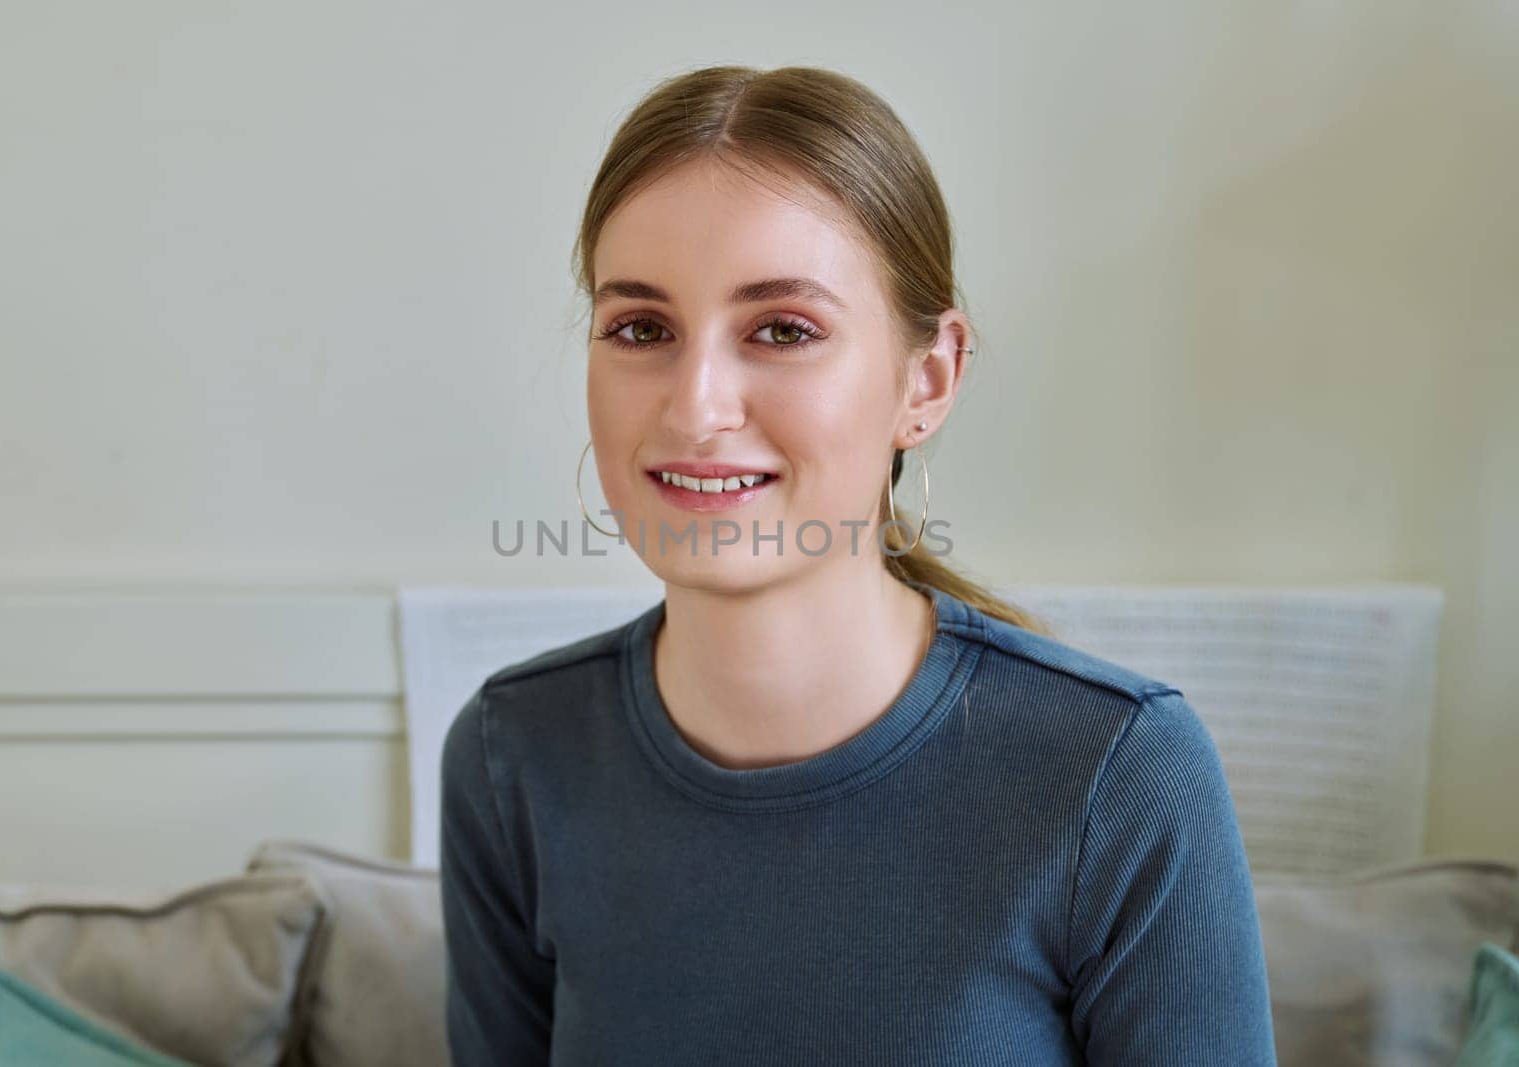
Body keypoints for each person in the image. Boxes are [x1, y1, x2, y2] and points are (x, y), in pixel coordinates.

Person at [439, 63, 1278, 1066]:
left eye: (782, 329)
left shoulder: (1121, 772)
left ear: (926, 379)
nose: (695, 405)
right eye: (642, 328)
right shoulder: (510, 756)